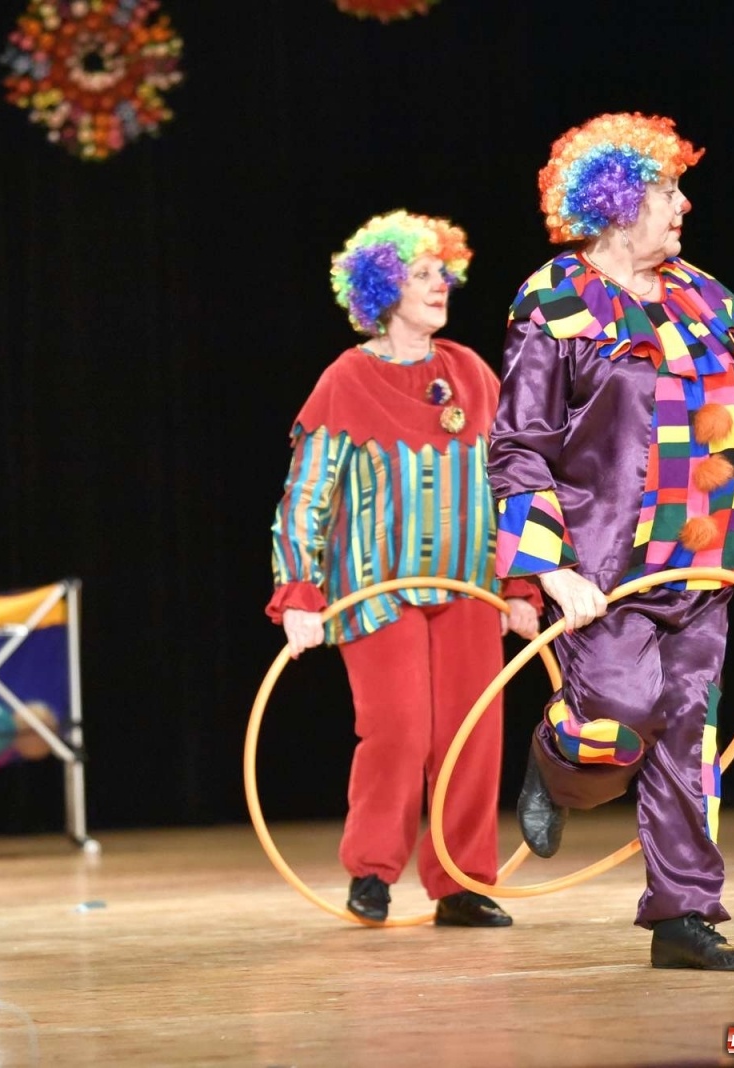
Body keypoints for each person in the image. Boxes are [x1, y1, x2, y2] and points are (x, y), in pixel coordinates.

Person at [488, 112, 734, 971]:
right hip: (605, 569)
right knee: (615, 722)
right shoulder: (555, 301)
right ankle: (554, 760)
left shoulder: (710, 299)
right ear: (618, 204)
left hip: (702, 560)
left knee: (689, 738)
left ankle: (683, 916)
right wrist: (549, 569)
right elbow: (518, 447)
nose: (683, 204)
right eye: (666, 191)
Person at [267, 210, 542, 929]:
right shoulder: (346, 380)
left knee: (471, 735)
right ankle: (372, 870)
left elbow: (514, 483)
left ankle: (459, 883)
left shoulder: (470, 374)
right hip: (376, 593)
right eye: (420, 275)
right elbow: (306, 500)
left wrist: (520, 585)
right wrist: (298, 594)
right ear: (382, 289)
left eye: (441, 273)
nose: (438, 285)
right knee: (398, 730)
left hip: (470, 591)